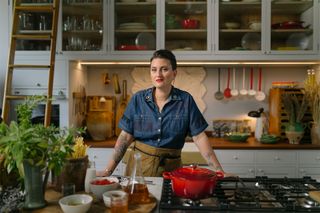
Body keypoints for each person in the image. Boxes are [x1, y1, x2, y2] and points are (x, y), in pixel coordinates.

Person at [97, 49, 226, 177]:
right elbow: (125, 138)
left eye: (164, 69)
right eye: (154, 69)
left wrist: (219, 171)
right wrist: (108, 172)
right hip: (138, 174)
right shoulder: (138, 99)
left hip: (171, 175)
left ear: (174, 73)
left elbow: (199, 137)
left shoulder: (186, 100)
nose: (158, 74)